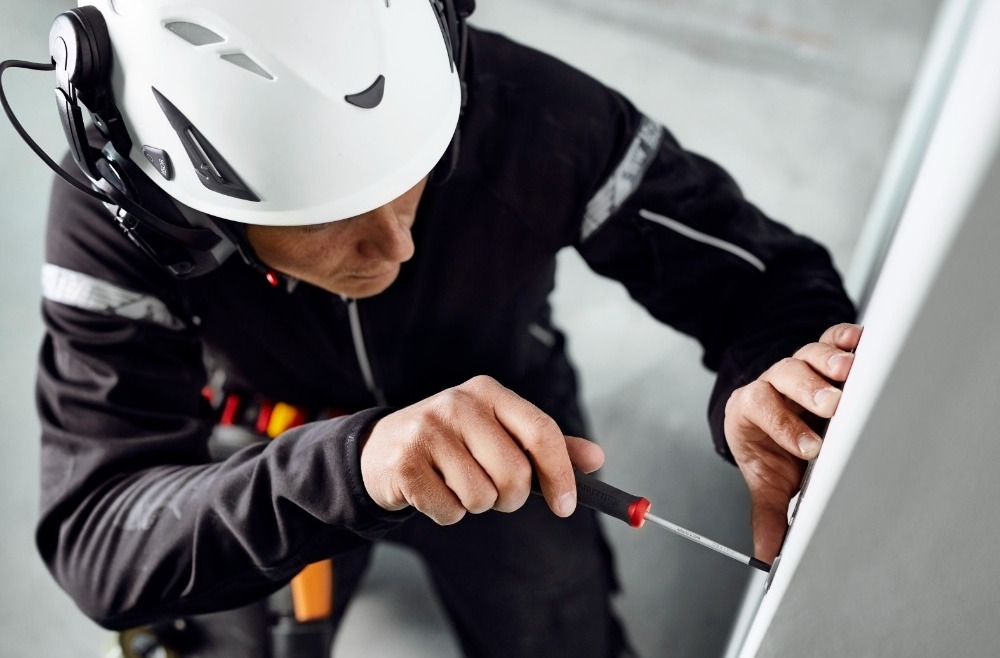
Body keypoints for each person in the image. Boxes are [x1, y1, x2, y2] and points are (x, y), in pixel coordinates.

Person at [23, 1, 858, 656]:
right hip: (268, 449)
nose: (398, 241)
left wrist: (773, 373)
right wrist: (352, 468)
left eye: (410, 173)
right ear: (177, 210)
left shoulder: (531, 112)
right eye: (328, 215)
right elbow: (99, 531)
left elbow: (765, 280)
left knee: (557, 630)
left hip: (513, 433)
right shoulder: (118, 211)